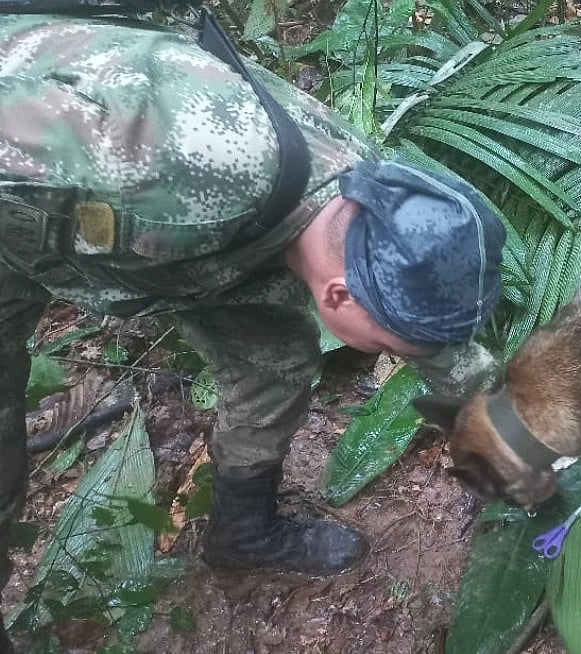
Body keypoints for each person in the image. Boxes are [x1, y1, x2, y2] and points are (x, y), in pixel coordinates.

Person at [0, 12, 505, 652]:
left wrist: (510, 435)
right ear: (339, 295)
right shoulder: (167, 177)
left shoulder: (369, 201)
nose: (397, 357)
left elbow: (436, 340)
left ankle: (241, 532)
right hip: (29, 185)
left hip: (175, 241)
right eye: (387, 348)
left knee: (276, 363)